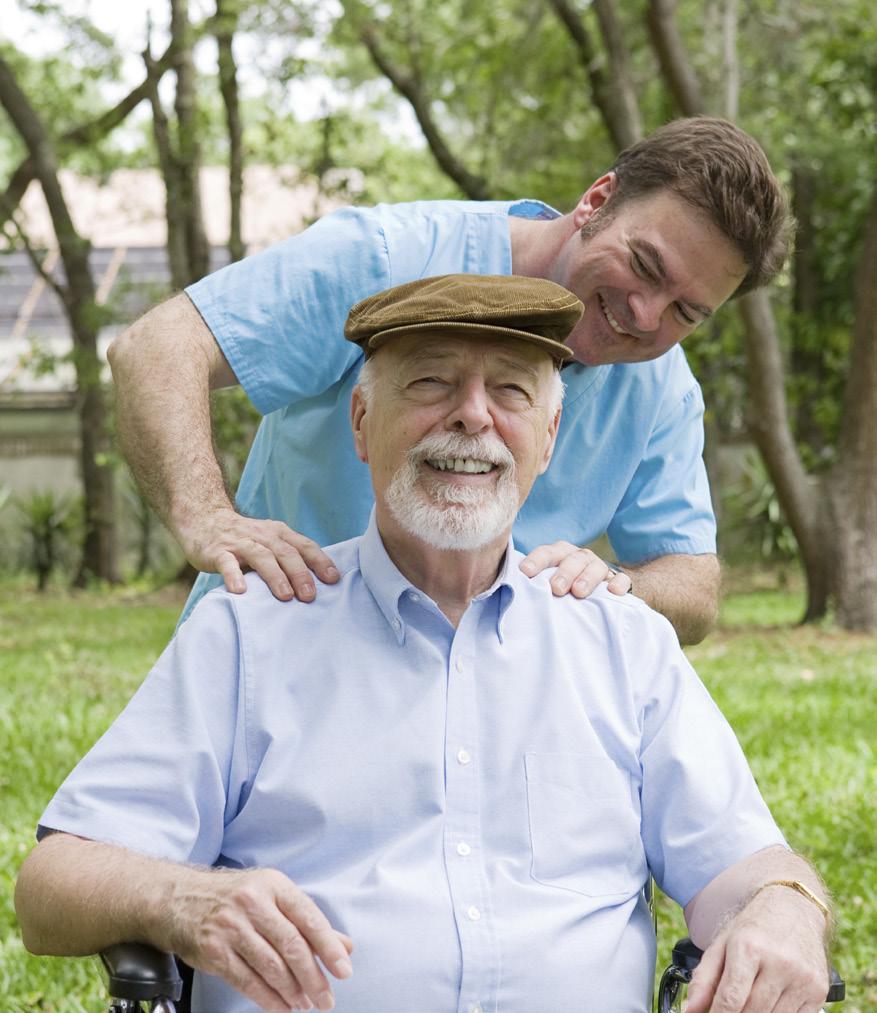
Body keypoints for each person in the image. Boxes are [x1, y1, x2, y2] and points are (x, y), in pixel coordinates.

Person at [18, 276, 831, 1013]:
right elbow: (51, 887)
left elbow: (748, 864)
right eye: (431, 381)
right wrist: (182, 899)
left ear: (546, 438)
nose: (471, 414)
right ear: (363, 423)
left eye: (507, 391)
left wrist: (787, 911)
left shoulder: (620, 640)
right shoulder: (251, 631)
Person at [108, 116, 792, 645]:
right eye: (644, 265)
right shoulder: (383, 258)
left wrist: (614, 585)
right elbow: (156, 346)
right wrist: (206, 515)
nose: (645, 315)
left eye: (686, 311)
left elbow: (693, 588)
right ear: (597, 200)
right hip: (280, 654)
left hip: (487, 708)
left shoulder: (661, 390)